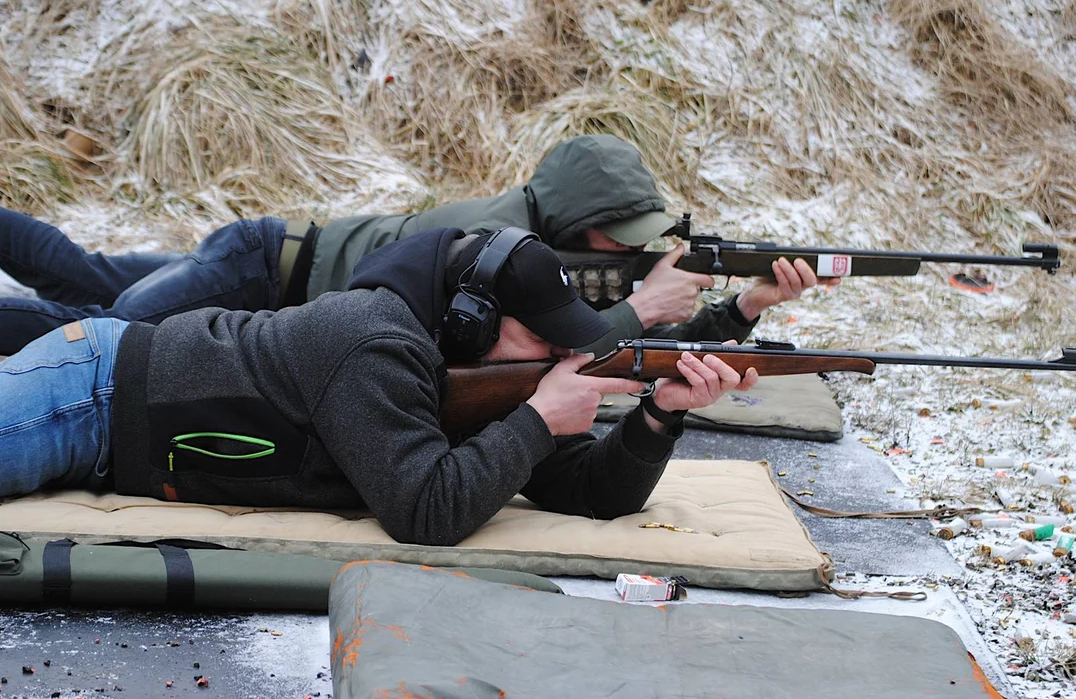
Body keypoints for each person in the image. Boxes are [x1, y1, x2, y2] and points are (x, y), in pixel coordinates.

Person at [0, 228, 758, 547]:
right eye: (541, 334)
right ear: (469, 319)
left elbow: (594, 494)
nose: (562, 351)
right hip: (92, 392)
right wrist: (538, 417)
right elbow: (426, 511)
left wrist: (657, 417)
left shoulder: (477, 380)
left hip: (113, 436)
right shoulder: (372, 340)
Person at [0, 134, 835, 356]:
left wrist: (748, 304)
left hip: (271, 258)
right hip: (264, 267)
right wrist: (643, 306)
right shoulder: (492, 242)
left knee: (87, 280)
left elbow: (617, 343)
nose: (630, 253)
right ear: (580, 219)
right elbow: (591, 345)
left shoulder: (539, 240)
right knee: (93, 332)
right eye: (621, 239)